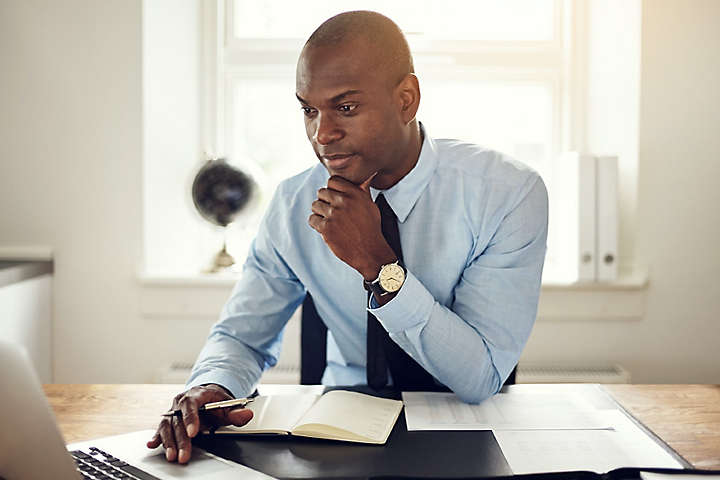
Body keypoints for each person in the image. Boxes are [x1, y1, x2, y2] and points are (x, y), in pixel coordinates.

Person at [147, 10, 548, 464]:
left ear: (406, 100)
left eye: (346, 107)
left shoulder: (507, 193)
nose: (323, 134)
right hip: (334, 436)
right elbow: (243, 337)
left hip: (468, 433)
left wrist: (379, 267)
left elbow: (480, 379)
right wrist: (211, 387)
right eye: (308, 110)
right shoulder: (292, 204)